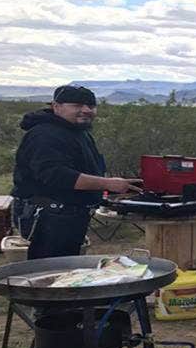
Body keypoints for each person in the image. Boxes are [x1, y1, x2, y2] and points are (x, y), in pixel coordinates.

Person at [11, 85, 142, 260]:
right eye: (78, 105)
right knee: (49, 269)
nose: (86, 110)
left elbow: (84, 169)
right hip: (48, 216)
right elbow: (56, 175)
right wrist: (108, 183)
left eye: (91, 106)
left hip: (68, 214)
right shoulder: (44, 135)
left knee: (66, 267)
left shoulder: (77, 132)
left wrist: (112, 189)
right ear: (56, 106)